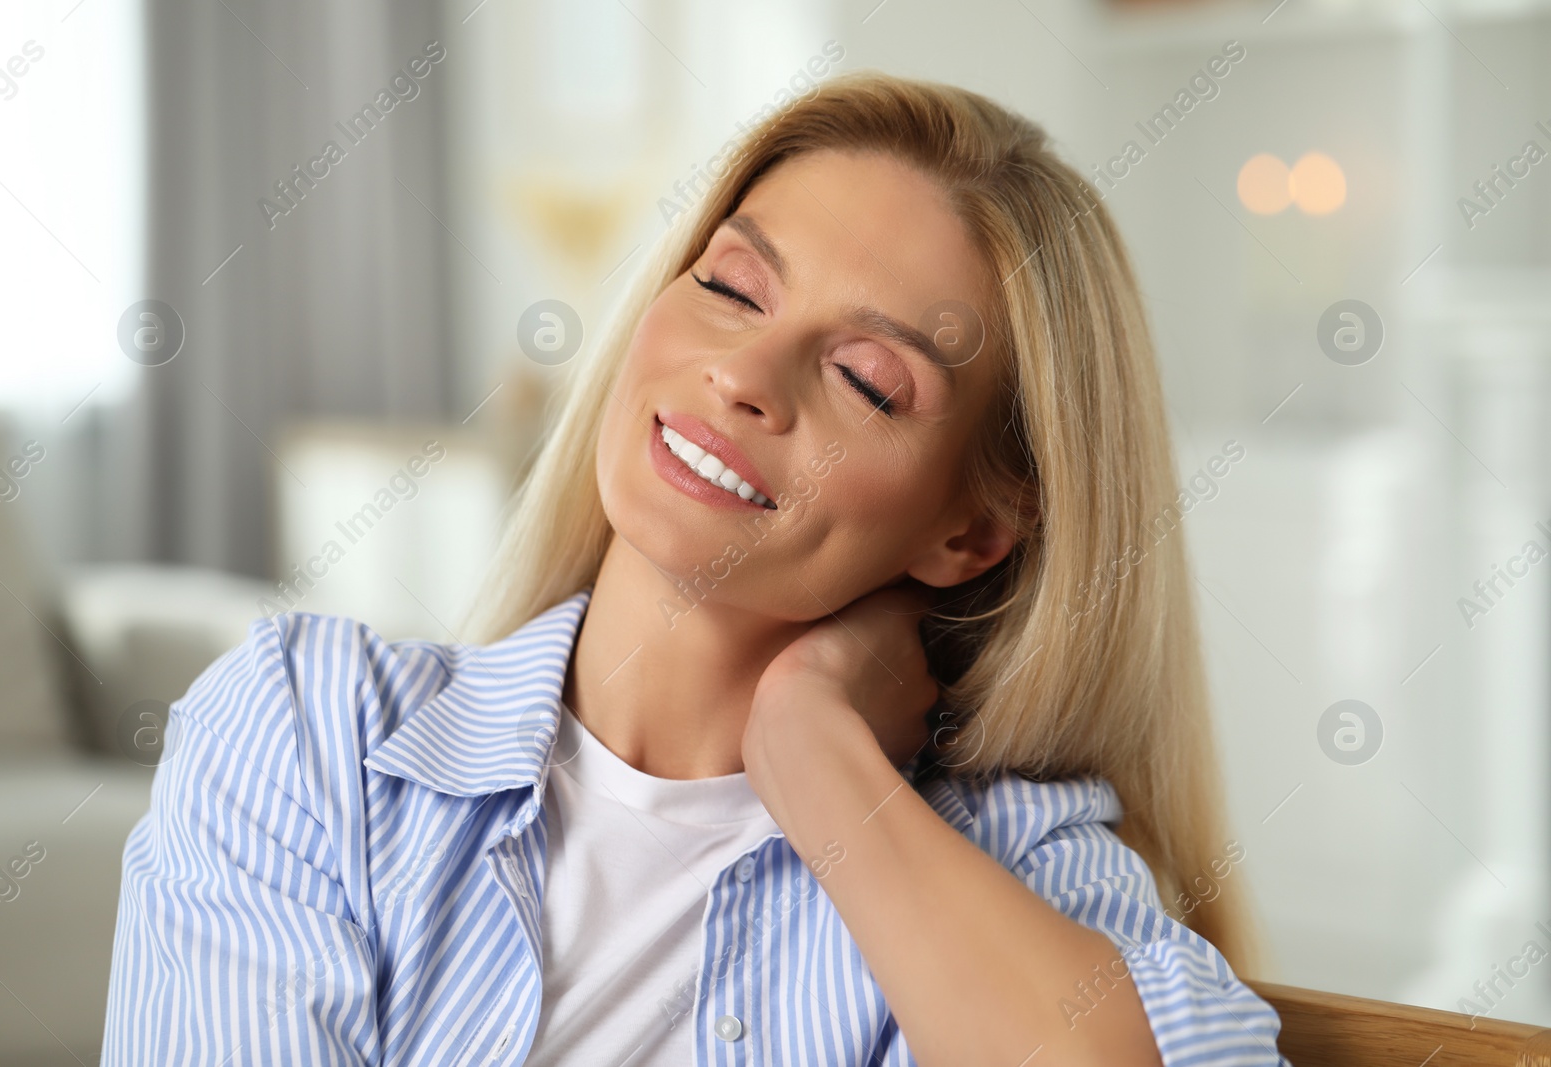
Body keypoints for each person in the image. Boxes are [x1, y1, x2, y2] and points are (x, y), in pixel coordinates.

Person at [102, 71, 1288, 1066]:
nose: (744, 371)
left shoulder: (1011, 868)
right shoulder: (311, 730)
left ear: (970, 530)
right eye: (730, 285)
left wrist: (817, 755)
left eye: (870, 379)